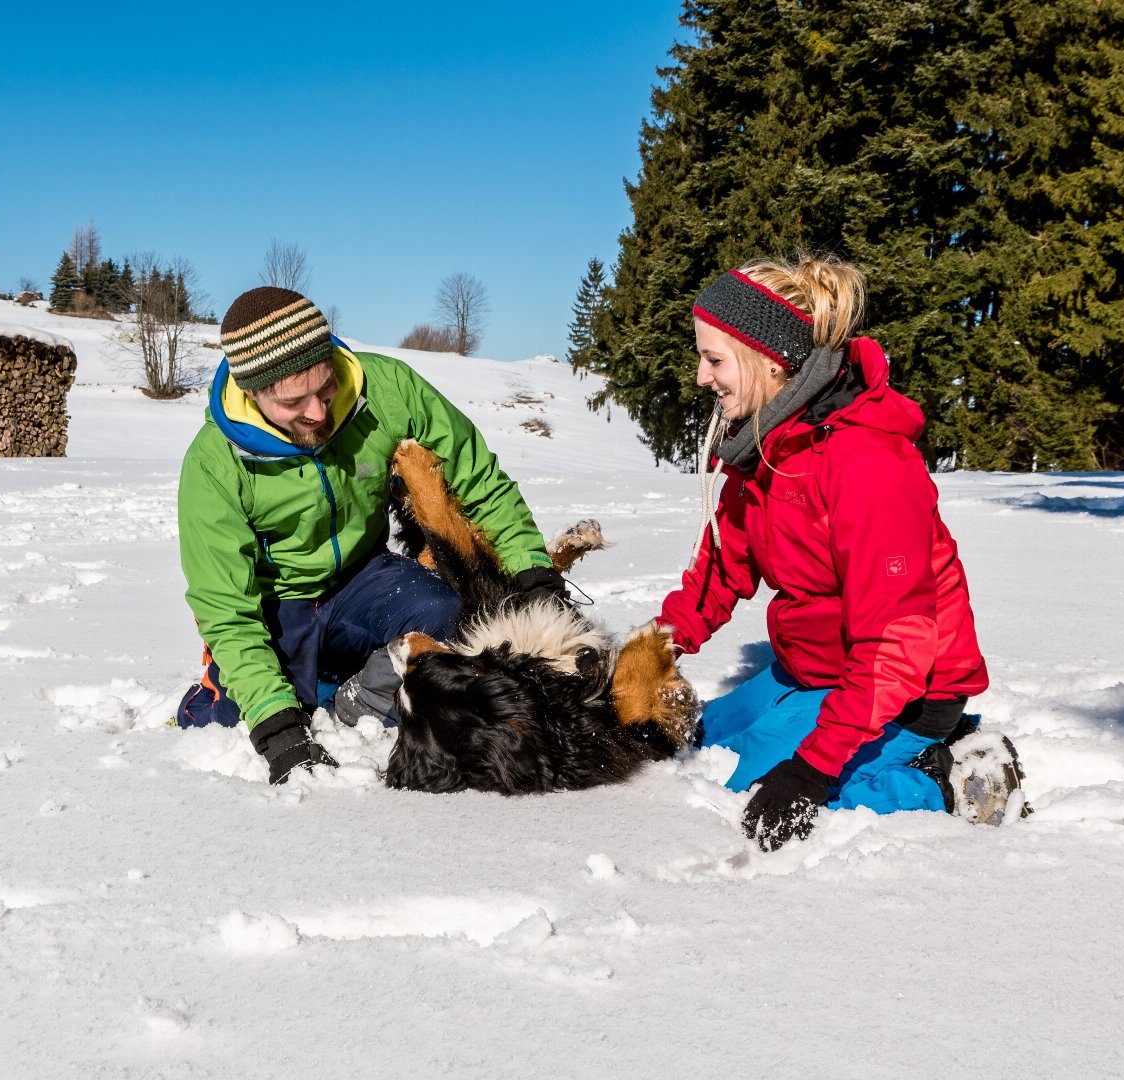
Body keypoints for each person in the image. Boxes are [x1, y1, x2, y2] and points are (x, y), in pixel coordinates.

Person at [656, 254, 1028, 851]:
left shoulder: (866, 464)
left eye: (714, 359)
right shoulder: (763, 447)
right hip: (818, 667)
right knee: (699, 739)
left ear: (770, 359)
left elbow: (895, 646)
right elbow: (725, 566)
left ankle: (948, 777)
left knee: (749, 789)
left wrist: (814, 768)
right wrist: (657, 645)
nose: (701, 377)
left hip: (906, 689)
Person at [176, 286, 566, 783]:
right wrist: (277, 729)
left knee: (449, 620)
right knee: (246, 721)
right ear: (252, 391)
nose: (318, 413)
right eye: (295, 402)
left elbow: (479, 482)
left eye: (326, 388)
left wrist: (533, 573)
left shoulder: (387, 388)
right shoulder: (214, 464)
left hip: (364, 578)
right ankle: (215, 698)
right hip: (279, 603)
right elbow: (226, 609)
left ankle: (353, 693)